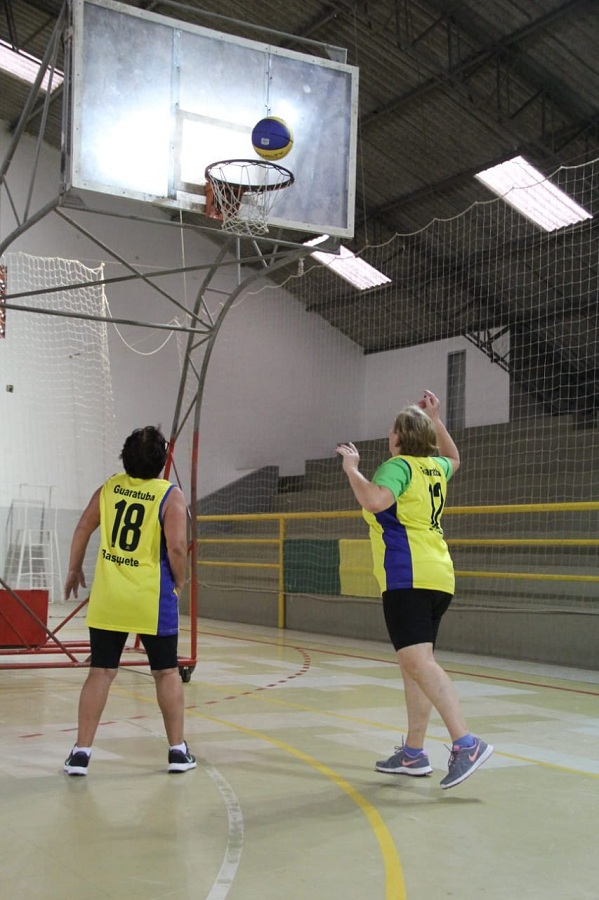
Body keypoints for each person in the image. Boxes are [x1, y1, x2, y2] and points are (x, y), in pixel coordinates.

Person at [336, 389, 493, 789]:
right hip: (439, 575)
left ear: (401, 437)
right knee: (415, 665)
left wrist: (352, 469)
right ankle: (414, 752)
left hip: (407, 576)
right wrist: (438, 419)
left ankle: (466, 743)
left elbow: (374, 501)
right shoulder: (436, 467)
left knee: (420, 664)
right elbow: (455, 457)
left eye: (392, 428)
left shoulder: (398, 466)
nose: (389, 434)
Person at [63, 425, 196, 776]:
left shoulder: (109, 488)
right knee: (166, 672)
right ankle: (177, 752)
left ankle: (81, 753)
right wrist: (180, 581)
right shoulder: (170, 495)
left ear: (125, 457)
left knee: (101, 672)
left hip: (110, 598)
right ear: (163, 459)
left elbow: (82, 528)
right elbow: (177, 547)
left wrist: (74, 568)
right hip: (151, 599)